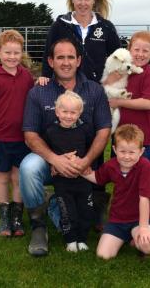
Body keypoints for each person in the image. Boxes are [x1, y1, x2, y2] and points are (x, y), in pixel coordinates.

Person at [19, 38, 111, 256]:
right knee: (28, 168)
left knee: (83, 217)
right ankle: (39, 228)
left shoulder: (95, 91)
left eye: (71, 57)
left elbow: (104, 131)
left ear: (79, 60)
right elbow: (30, 134)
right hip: (50, 161)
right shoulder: (38, 92)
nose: (66, 62)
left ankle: (76, 209)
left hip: (85, 164)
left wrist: (85, 161)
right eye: (60, 57)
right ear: (51, 61)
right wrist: (54, 159)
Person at [0, 29, 34, 237]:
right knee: (2, 179)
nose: (12, 57)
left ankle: (17, 218)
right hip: (0, 138)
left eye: (16, 53)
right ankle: (4, 218)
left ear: (22, 54)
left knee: (18, 179)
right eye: (8, 53)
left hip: (21, 138)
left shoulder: (26, 76)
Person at [83, 124, 150, 259]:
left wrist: (143, 228)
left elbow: (144, 199)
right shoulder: (111, 165)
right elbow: (97, 178)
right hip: (117, 219)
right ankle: (126, 237)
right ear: (115, 149)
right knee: (103, 255)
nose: (127, 157)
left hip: (139, 219)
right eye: (122, 151)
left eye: (132, 152)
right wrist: (80, 170)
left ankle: (141, 234)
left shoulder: (145, 166)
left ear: (141, 151)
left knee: (149, 247)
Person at [109, 31, 150, 210]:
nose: (140, 54)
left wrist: (119, 102)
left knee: (146, 178)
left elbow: (148, 103)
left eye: (145, 51)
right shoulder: (125, 71)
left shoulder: (149, 73)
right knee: (123, 178)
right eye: (136, 49)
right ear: (129, 49)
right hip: (121, 137)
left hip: (142, 139)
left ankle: (149, 216)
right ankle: (124, 211)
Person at [41, 0, 121, 83]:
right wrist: (45, 75)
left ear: (94, 0)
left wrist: (112, 79)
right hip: (65, 89)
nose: (83, 3)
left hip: (97, 89)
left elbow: (118, 57)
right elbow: (48, 54)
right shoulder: (59, 26)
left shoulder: (106, 27)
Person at [44, 90, 94, 252]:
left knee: (85, 210)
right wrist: (52, 164)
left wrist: (87, 162)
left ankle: (82, 238)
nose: (68, 116)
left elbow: (91, 149)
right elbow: (48, 152)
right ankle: (70, 239)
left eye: (73, 112)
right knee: (67, 211)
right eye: (64, 111)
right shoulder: (51, 131)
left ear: (80, 113)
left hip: (83, 180)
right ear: (57, 112)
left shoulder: (85, 130)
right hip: (62, 181)